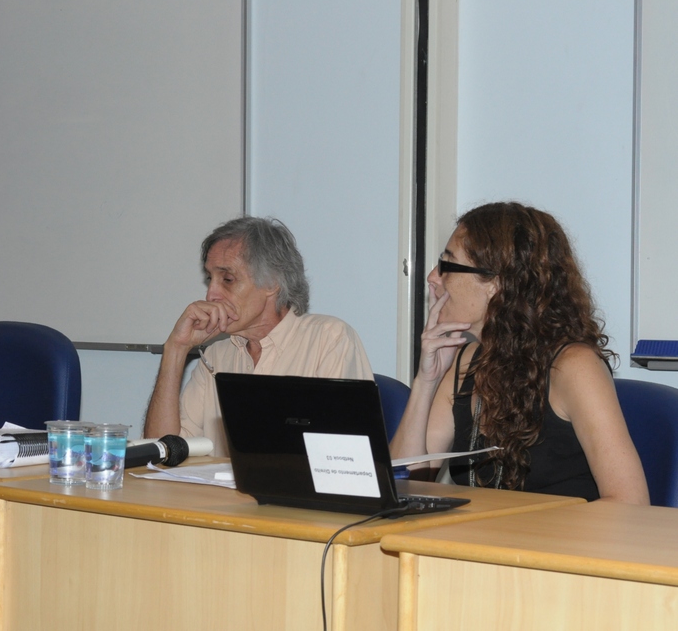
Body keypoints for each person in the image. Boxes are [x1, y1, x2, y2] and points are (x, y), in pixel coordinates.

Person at [389, 202, 648, 504]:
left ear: (496, 283)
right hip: (477, 547)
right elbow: (401, 485)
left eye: (447, 265)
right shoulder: (465, 361)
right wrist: (426, 381)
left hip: (557, 547)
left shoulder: (574, 366)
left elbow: (630, 502)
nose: (433, 277)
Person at [143, 216, 373, 456]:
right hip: (219, 494)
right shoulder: (217, 356)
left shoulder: (329, 340)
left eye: (228, 279)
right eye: (210, 278)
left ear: (272, 282)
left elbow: (341, 458)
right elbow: (162, 453)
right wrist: (176, 348)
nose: (211, 294)